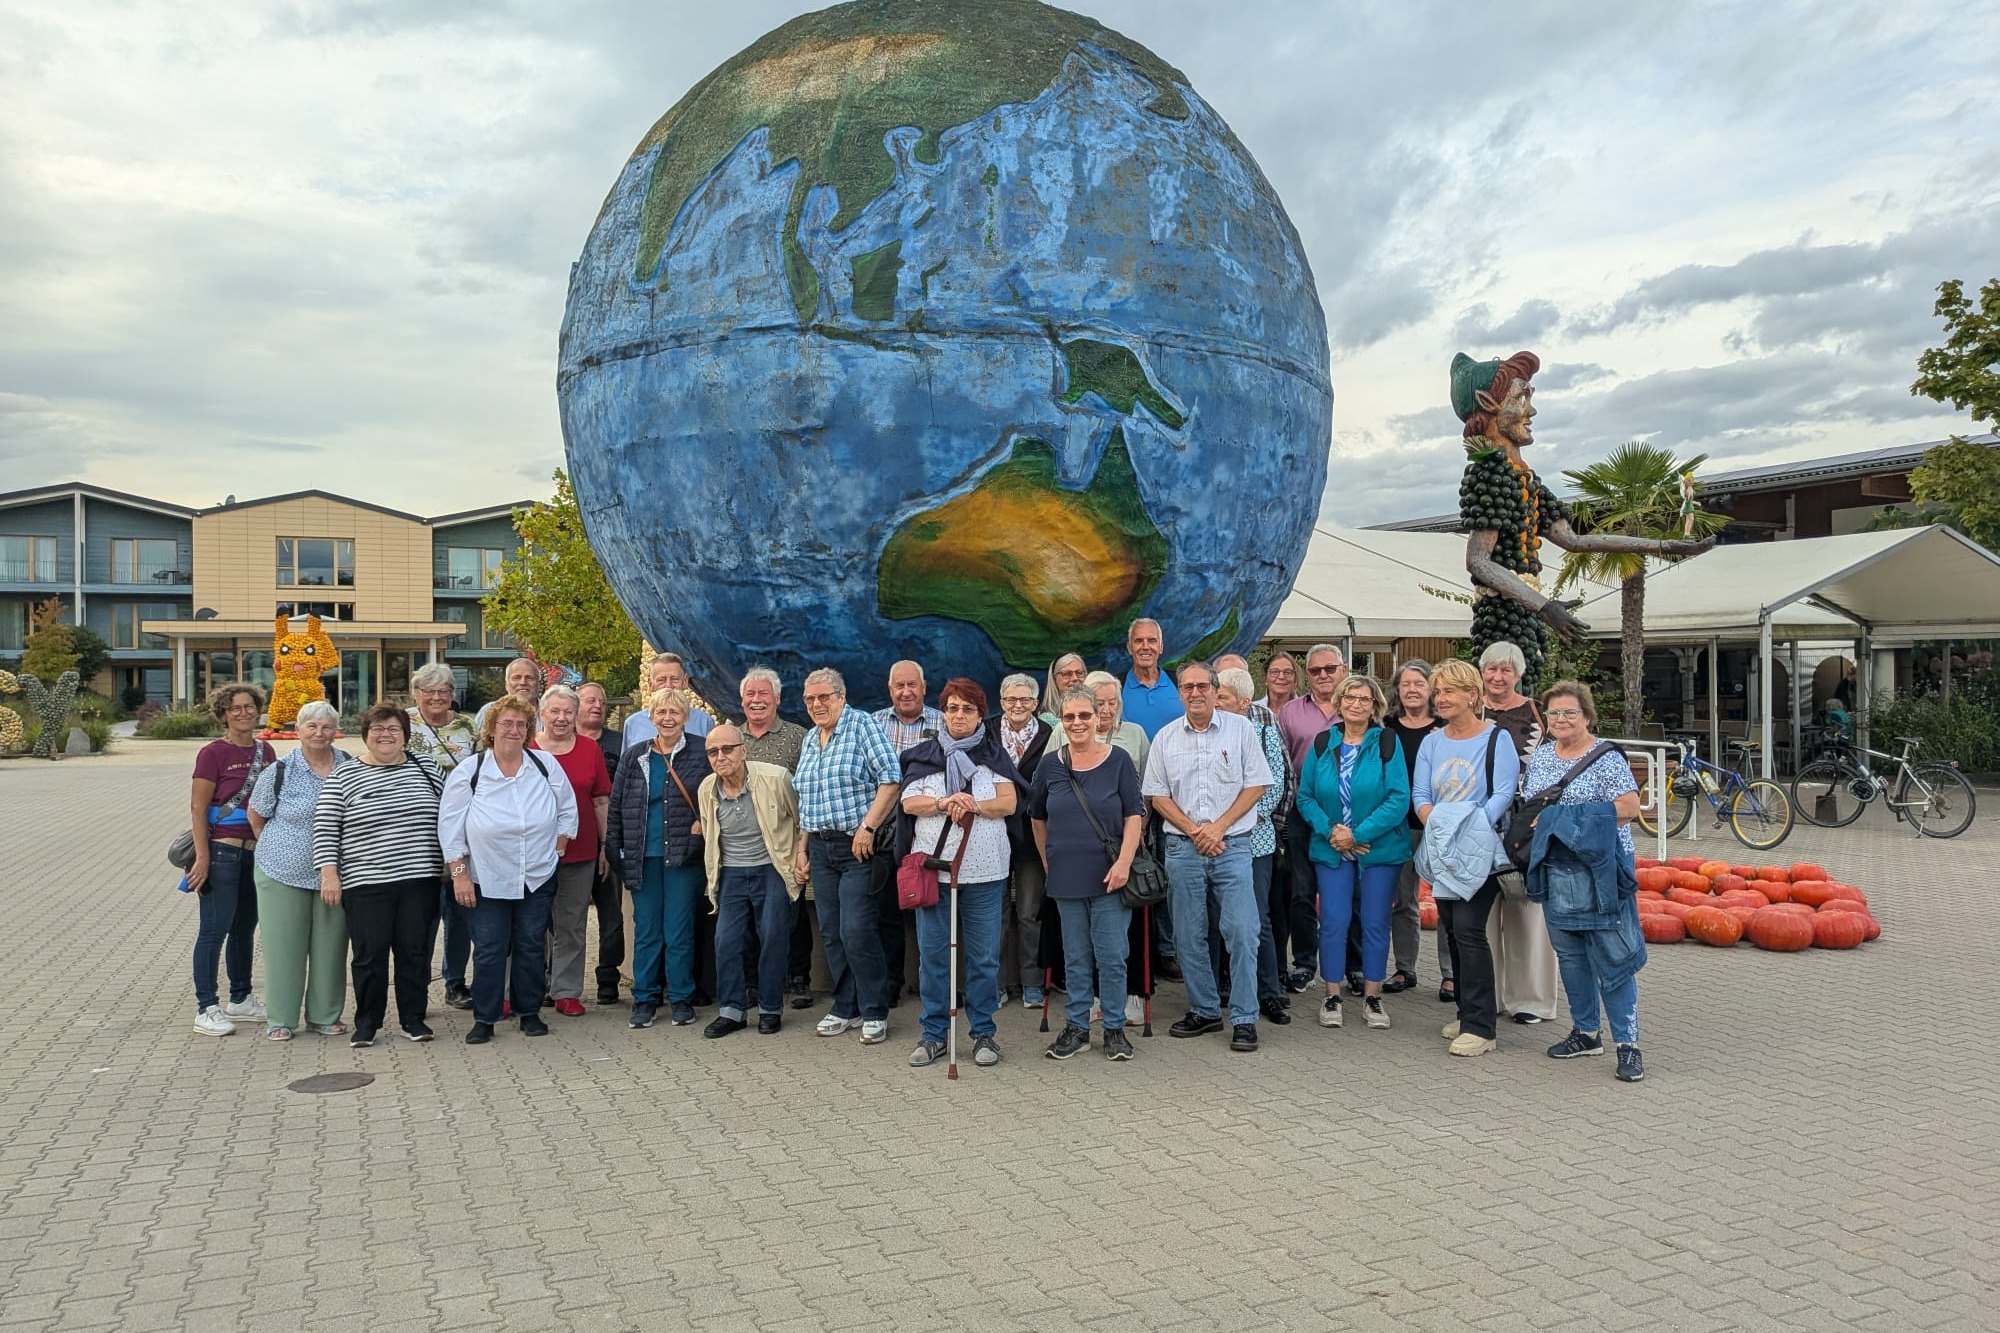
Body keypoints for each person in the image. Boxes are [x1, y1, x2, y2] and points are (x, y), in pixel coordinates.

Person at [1143, 660, 1272, 1052]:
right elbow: (1157, 794)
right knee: (1187, 934)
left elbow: (1257, 785)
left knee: (1242, 931)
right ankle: (1205, 1011)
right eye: (1188, 687)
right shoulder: (1166, 737)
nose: (1196, 693)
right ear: (1179, 692)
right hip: (1183, 847)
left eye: (1203, 686)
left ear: (1216, 690)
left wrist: (1217, 828)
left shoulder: (1242, 729)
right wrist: (1194, 830)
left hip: (1232, 846)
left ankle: (1245, 1018)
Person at [1524, 680, 1647, 1082]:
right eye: (1554, 713)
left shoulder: (1605, 757)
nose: (1560, 719)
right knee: (1570, 953)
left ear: (1587, 716)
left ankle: (1628, 1044)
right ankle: (1586, 1032)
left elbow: (1629, 807)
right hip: (1557, 866)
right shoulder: (1542, 757)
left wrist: (1566, 818)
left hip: (1600, 869)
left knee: (1612, 955)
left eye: (1569, 712)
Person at [440, 694, 578, 1045]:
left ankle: (528, 1012)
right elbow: (451, 827)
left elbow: (567, 809)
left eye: (521, 724)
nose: (514, 730)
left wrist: (559, 848)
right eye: (507, 723)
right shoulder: (470, 772)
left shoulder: (544, 764)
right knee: (489, 948)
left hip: (537, 875)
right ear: (492, 728)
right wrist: (460, 875)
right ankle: (484, 1018)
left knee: (531, 945)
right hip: (486, 877)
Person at [899, 679, 1020, 1069]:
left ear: (980, 714)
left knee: (983, 958)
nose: (959, 715)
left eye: (968, 709)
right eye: (952, 708)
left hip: (985, 873)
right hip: (933, 872)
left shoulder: (994, 755)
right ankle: (933, 1034)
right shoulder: (923, 755)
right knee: (934, 957)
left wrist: (973, 804)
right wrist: (942, 800)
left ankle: (983, 1032)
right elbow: (909, 802)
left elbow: (1009, 802)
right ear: (944, 712)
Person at [313, 703, 446, 1047]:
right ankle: (367, 1022)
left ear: (405, 736)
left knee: (414, 952)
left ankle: (413, 1018)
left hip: (420, 879)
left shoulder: (426, 768)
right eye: (378, 729)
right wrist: (329, 874)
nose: (385, 735)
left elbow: (451, 815)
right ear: (366, 735)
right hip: (366, 882)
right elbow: (326, 828)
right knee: (369, 955)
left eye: (393, 729)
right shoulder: (344, 775)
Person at [1411, 659, 1520, 1057]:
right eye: (1437, 692)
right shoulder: (1432, 742)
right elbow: (1421, 795)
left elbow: (1502, 795)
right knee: (1452, 929)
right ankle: (1466, 1011)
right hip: (1443, 849)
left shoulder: (1497, 739)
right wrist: (1438, 823)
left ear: (1472, 695)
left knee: (1471, 930)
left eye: (1449, 691)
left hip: (1481, 850)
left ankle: (1482, 1028)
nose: (1440, 699)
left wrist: (1466, 828)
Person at [1031, 686, 1143, 1061]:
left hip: (1110, 875)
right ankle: (1077, 1026)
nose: (1077, 723)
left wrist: (1125, 861)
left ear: (1098, 717)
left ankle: (1113, 1028)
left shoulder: (1119, 761)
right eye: (1069, 717)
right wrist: (1049, 860)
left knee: (1112, 954)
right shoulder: (1049, 765)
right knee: (1076, 956)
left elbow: (1134, 815)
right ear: (1061, 722)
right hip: (1066, 875)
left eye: (1084, 715)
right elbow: (1037, 817)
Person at [1296, 676, 1412, 1032]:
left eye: (1364, 699)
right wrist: (1333, 831)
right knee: (1333, 920)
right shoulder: (1322, 743)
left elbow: (1398, 798)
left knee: (1376, 922)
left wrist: (1358, 835)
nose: (1356, 704)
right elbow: (1306, 796)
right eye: (1350, 698)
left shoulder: (1388, 743)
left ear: (1375, 705)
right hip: (1331, 847)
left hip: (1378, 849)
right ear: (1340, 702)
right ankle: (1332, 994)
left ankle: (1373, 997)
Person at [792, 668, 901, 1044]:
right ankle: (845, 1005)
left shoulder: (862, 726)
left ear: (841, 696)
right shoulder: (810, 738)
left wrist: (868, 826)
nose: (817, 705)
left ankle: (874, 1009)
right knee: (832, 932)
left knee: (856, 928)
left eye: (824, 697)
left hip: (858, 846)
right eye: (810, 699)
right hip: (820, 848)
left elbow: (891, 777)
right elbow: (808, 799)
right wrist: (801, 848)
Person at [246, 700, 353, 1039]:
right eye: (311, 726)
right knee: (283, 946)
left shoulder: (350, 766)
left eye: (326, 726)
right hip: (282, 872)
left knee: (331, 946)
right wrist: (282, 848)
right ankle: (281, 1019)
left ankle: (325, 1015)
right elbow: (256, 815)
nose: (319, 733)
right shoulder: (280, 770)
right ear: (298, 730)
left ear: (335, 731)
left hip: (336, 873)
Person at [607, 688, 711, 1030]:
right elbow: (618, 805)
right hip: (642, 855)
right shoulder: (636, 754)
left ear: (685, 717)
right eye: (661, 712)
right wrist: (615, 848)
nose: (668, 718)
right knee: (647, 929)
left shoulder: (700, 751)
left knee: (679, 930)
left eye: (675, 712)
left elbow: (715, 793)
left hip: (684, 855)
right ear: (651, 717)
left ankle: (681, 997)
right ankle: (645, 998)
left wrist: (705, 822)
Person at [697, 723, 801, 1038]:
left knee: (772, 935)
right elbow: (709, 832)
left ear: (743, 750)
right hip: (730, 872)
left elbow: (800, 819)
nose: (720, 756)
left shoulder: (776, 778)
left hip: (771, 868)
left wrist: (800, 857)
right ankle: (732, 1012)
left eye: (727, 749)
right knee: (725, 941)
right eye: (713, 752)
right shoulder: (706, 789)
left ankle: (770, 1009)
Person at [186, 684, 277, 1036]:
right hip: (222, 852)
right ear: (223, 714)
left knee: (244, 929)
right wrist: (203, 856)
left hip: (256, 853)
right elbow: (197, 807)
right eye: (235, 708)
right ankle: (206, 1006)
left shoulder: (265, 750)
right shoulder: (212, 753)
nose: (244, 713)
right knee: (214, 930)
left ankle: (240, 998)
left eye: (249, 706)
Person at [1479, 641, 1560, 1027]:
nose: (1497, 677)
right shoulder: (1467, 708)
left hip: (1523, 821)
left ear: (1519, 674)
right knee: (1480, 913)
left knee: (1527, 910)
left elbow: (1552, 764)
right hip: (1477, 822)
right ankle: (1485, 994)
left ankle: (1531, 998)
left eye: (1505, 671)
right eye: (1491, 669)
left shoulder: (1536, 714)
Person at [1216, 668, 1292, 1026]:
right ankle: (1223, 988)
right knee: (1220, 920)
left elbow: (1274, 782)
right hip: (1214, 841)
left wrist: (1237, 818)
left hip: (1254, 839)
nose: (1215, 702)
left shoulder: (1262, 726)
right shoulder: (1205, 730)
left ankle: (1268, 991)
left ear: (1244, 703)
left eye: (1223, 697)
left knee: (1255, 917)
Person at [737, 666, 814, 1010]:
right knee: (751, 920)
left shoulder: (798, 737)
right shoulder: (732, 740)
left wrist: (804, 845)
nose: (757, 700)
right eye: (750, 694)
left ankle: (798, 981)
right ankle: (753, 983)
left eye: (763, 694)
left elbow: (808, 790)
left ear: (778, 699)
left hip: (785, 843)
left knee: (792, 916)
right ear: (742, 700)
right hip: (744, 845)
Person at [407, 663, 480, 1011]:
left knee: (459, 912)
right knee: (420, 916)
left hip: (462, 831)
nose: (436, 697)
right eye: (428, 691)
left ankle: (455, 983)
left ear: (452, 693)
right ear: (416, 693)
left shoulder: (468, 726)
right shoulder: (403, 724)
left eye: (443, 691)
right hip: (417, 833)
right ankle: (416, 983)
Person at [537, 685, 613, 1017]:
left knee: (571, 924)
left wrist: (605, 845)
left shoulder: (588, 749)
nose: (562, 718)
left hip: (580, 853)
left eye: (568, 711)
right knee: (531, 924)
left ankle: (566, 991)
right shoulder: (527, 748)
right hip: (532, 855)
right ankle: (528, 987)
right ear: (542, 714)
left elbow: (600, 800)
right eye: (555, 711)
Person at [1275, 643, 1347, 987]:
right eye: (1315, 670)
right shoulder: (1290, 712)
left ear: (1343, 670)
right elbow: (1283, 766)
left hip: (1351, 814)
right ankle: (1304, 963)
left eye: (1329, 669)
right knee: (1302, 892)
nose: (1322, 676)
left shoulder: (1359, 706)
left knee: (1351, 891)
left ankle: (1355, 965)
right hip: (1303, 813)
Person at [873, 660, 944, 1006]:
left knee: (936, 905)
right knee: (887, 910)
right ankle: (891, 983)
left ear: (924, 687)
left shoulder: (943, 723)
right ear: (890, 690)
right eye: (899, 686)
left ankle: (940, 985)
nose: (906, 692)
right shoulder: (872, 724)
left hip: (931, 829)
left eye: (912, 685)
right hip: (887, 830)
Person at [988, 673, 1054, 1008]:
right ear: (1001, 702)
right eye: (1012, 700)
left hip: (1031, 836)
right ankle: (995, 985)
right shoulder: (985, 732)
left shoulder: (1049, 735)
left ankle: (1031, 982)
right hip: (993, 834)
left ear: (1036, 704)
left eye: (1025, 700)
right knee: (994, 914)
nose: (1018, 706)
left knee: (1030, 914)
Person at [1386, 661, 1442, 998]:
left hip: (1438, 825)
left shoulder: (1445, 728)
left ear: (1431, 688)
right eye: (1405, 684)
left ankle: (1452, 974)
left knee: (1447, 900)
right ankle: (1405, 968)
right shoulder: (1387, 728)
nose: (1412, 690)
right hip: (1399, 826)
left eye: (1419, 683)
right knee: (1403, 901)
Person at [574, 680, 628, 1004]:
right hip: (573, 846)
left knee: (611, 916)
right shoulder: (565, 743)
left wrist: (611, 844)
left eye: (601, 701)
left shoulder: (620, 743)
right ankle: (561, 981)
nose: (596, 706)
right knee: (568, 918)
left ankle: (608, 977)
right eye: (589, 700)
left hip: (610, 843)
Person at [622, 652, 715, 747]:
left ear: (685, 682)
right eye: (661, 680)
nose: (668, 686)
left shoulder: (704, 722)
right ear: (650, 684)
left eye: (674, 679)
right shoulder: (633, 724)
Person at [1120, 618, 1182, 739]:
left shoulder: (1180, 682)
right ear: (1129, 647)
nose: (1145, 646)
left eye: (1152, 641)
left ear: (1161, 647)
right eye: (1139, 641)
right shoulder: (1117, 687)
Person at [474, 657, 544, 735]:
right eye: (516, 678)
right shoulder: (488, 711)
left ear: (538, 684)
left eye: (529, 678)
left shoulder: (551, 712)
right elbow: (474, 743)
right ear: (506, 684)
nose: (523, 682)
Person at [1038, 653, 1088, 727]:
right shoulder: (1045, 721)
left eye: (1079, 673)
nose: (1075, 678)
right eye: (1067, 674)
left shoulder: (1098, 712)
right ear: (1055, 679)